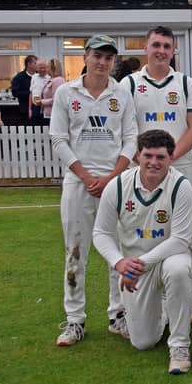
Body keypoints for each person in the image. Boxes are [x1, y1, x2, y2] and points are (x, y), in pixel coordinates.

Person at [50, 34, 138, 347]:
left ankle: (119, 315)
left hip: (115, 183)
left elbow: (130, 139)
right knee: (76, 253)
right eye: (97, 56)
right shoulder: (66, 92)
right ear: (86, 57)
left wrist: (113, 177)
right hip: (78, 183)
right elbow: (59, 139)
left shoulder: (123, 93)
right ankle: (75, 320)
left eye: (108, 57)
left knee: (118, 252)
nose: (102, 62)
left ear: (114, 62)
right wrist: (87, 177)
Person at [93, 129, 192, 374]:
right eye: (148, 156)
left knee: (179, 268)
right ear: (137, 156)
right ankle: (161, 310)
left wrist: (138, 264)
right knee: (143, 342)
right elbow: (101, 233)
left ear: (171, 158)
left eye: (160, 157)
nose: (153, 163)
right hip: (135, 269)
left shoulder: (181, 186)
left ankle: (180, 346)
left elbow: (180, 240)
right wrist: (120, 263)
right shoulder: (118, 186)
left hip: (164, 260)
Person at [121, 25, 192, 322]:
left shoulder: (184, 83)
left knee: (185, 237)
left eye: (167, 46)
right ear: (145, 48)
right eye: (156, 45)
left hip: (179, 168)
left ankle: (190, 299)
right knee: (137, 236)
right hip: (142, 172)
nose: (161, 51)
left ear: (172, 51)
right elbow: (126, 130)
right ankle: (131, 302)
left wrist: (169, 157)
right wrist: (146, 160)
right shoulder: (129, 84)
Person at [36, 59, 65, 123]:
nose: (45, 69)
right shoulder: (51, 79)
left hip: (54, 115)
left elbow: (56, 99)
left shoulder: (58, 80)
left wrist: (42, 102)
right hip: (48, 113)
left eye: (47, 67)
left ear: (53, 68)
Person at [11, 55, 37, 124]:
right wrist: (30, 93)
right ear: (29, 64)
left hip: (39, 109)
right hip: (25, 109)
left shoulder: (39, 76)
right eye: (35, 63)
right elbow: (15, 92)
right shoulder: (19, 77)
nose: (37, 65)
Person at [29, 60, 51, 126]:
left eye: (45, 67)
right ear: (36, 68)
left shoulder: (49, 78)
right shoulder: (34, 77)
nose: (43, 69)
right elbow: (31, 93)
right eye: (41, 68)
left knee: (45, 126)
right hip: (35, 106)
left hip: (45, 107)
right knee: (34, 127)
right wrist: (29, 109)